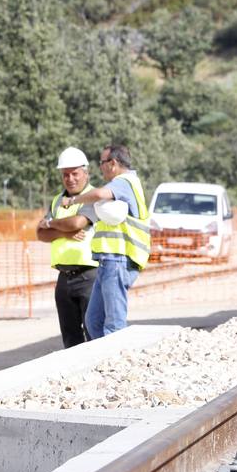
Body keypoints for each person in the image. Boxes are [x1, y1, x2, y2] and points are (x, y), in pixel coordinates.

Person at [50, 144, 150, 339]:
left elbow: (98, 194)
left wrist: (73, 201)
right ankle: (102, 362)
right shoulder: (121, 185)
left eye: (102, 162)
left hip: (119, 260)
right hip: (106, 260)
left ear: (113, 163)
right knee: (94, 321)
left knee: (114, 324)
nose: (100, 167)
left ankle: (115, 363)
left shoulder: (125, 181)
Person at [36, 147, 97, 348]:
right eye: (65, 174)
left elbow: (77, 223)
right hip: (64, 277)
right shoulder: (56, 201)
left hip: (89, 275)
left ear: (85, 173)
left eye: (75, 173)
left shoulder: (92, 196)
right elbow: (40, 233)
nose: (70, 179)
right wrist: (64, 233)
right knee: (70, 337)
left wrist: (51, 223)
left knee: (93, 331)